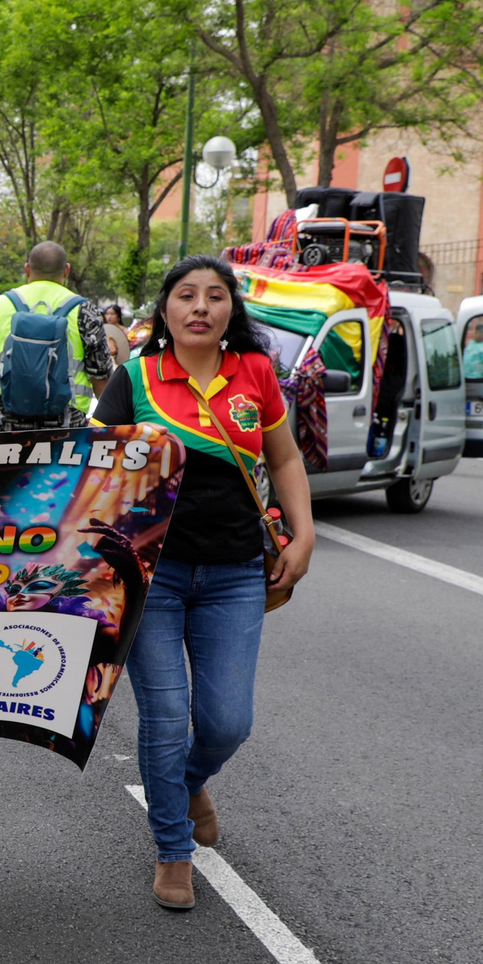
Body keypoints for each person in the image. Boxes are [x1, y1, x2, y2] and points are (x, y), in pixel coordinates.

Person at [91, 254, 314, 911]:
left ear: (230, 310)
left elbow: (285, 458)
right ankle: (173, 848)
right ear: (165, 310)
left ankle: (189, 781)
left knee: (226, 723)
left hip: (236, 573)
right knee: (164, 718)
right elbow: (87, 468)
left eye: (215, 296)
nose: (200, 307)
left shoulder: (256, 373)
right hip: (151, 575)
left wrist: (304, 535)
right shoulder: (135, 377)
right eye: (186, 295)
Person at [0, 241, 113, 432]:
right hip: (67, 428)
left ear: (27, 269)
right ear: (66, 270)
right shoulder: (84, 311)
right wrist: (107, 427)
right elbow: (101, 376)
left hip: (6, 426)